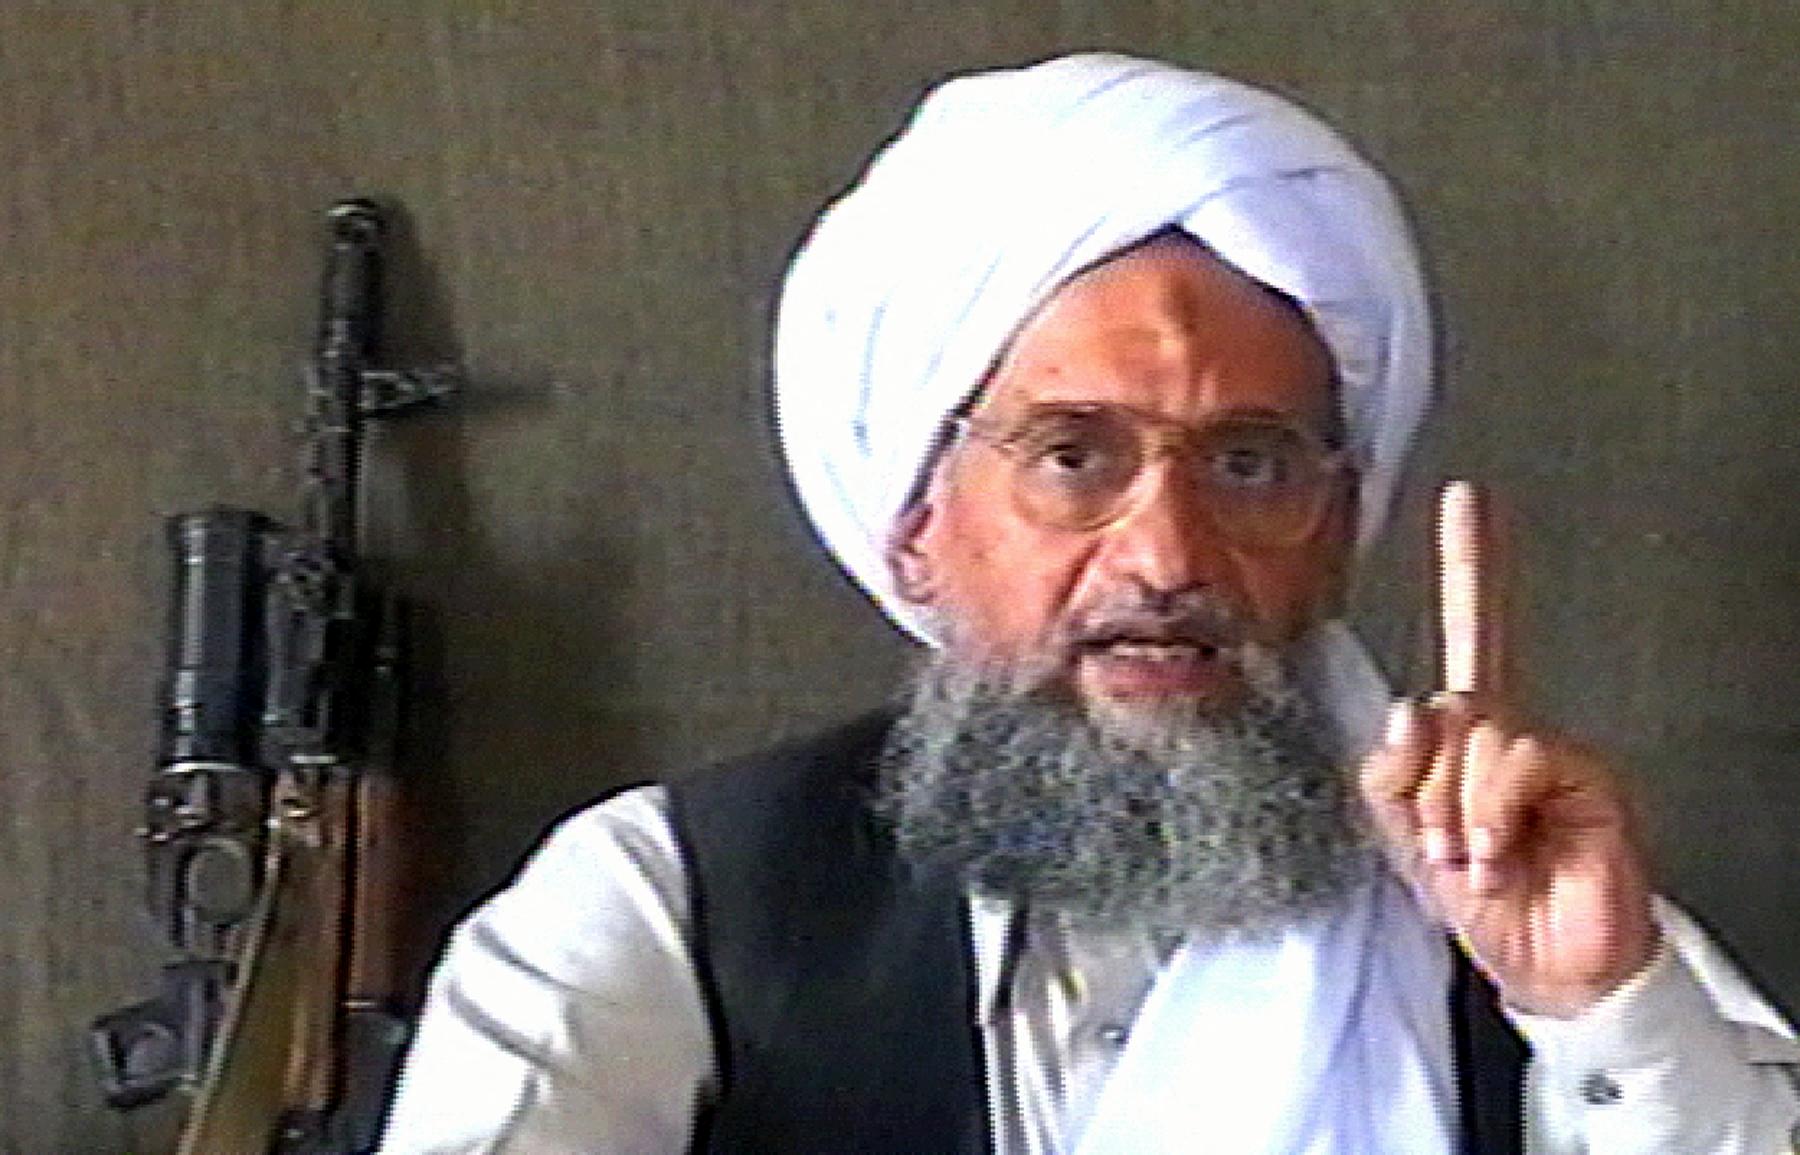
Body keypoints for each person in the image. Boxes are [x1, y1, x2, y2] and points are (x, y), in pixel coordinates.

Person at [380, 53, 1800, 1154]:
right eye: (1074, 458)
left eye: (1248, 463)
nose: (1166, 557)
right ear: (915, 523)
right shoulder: (668, 899)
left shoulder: (1507, 894)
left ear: (1336, 528)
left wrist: (1596, 1004)